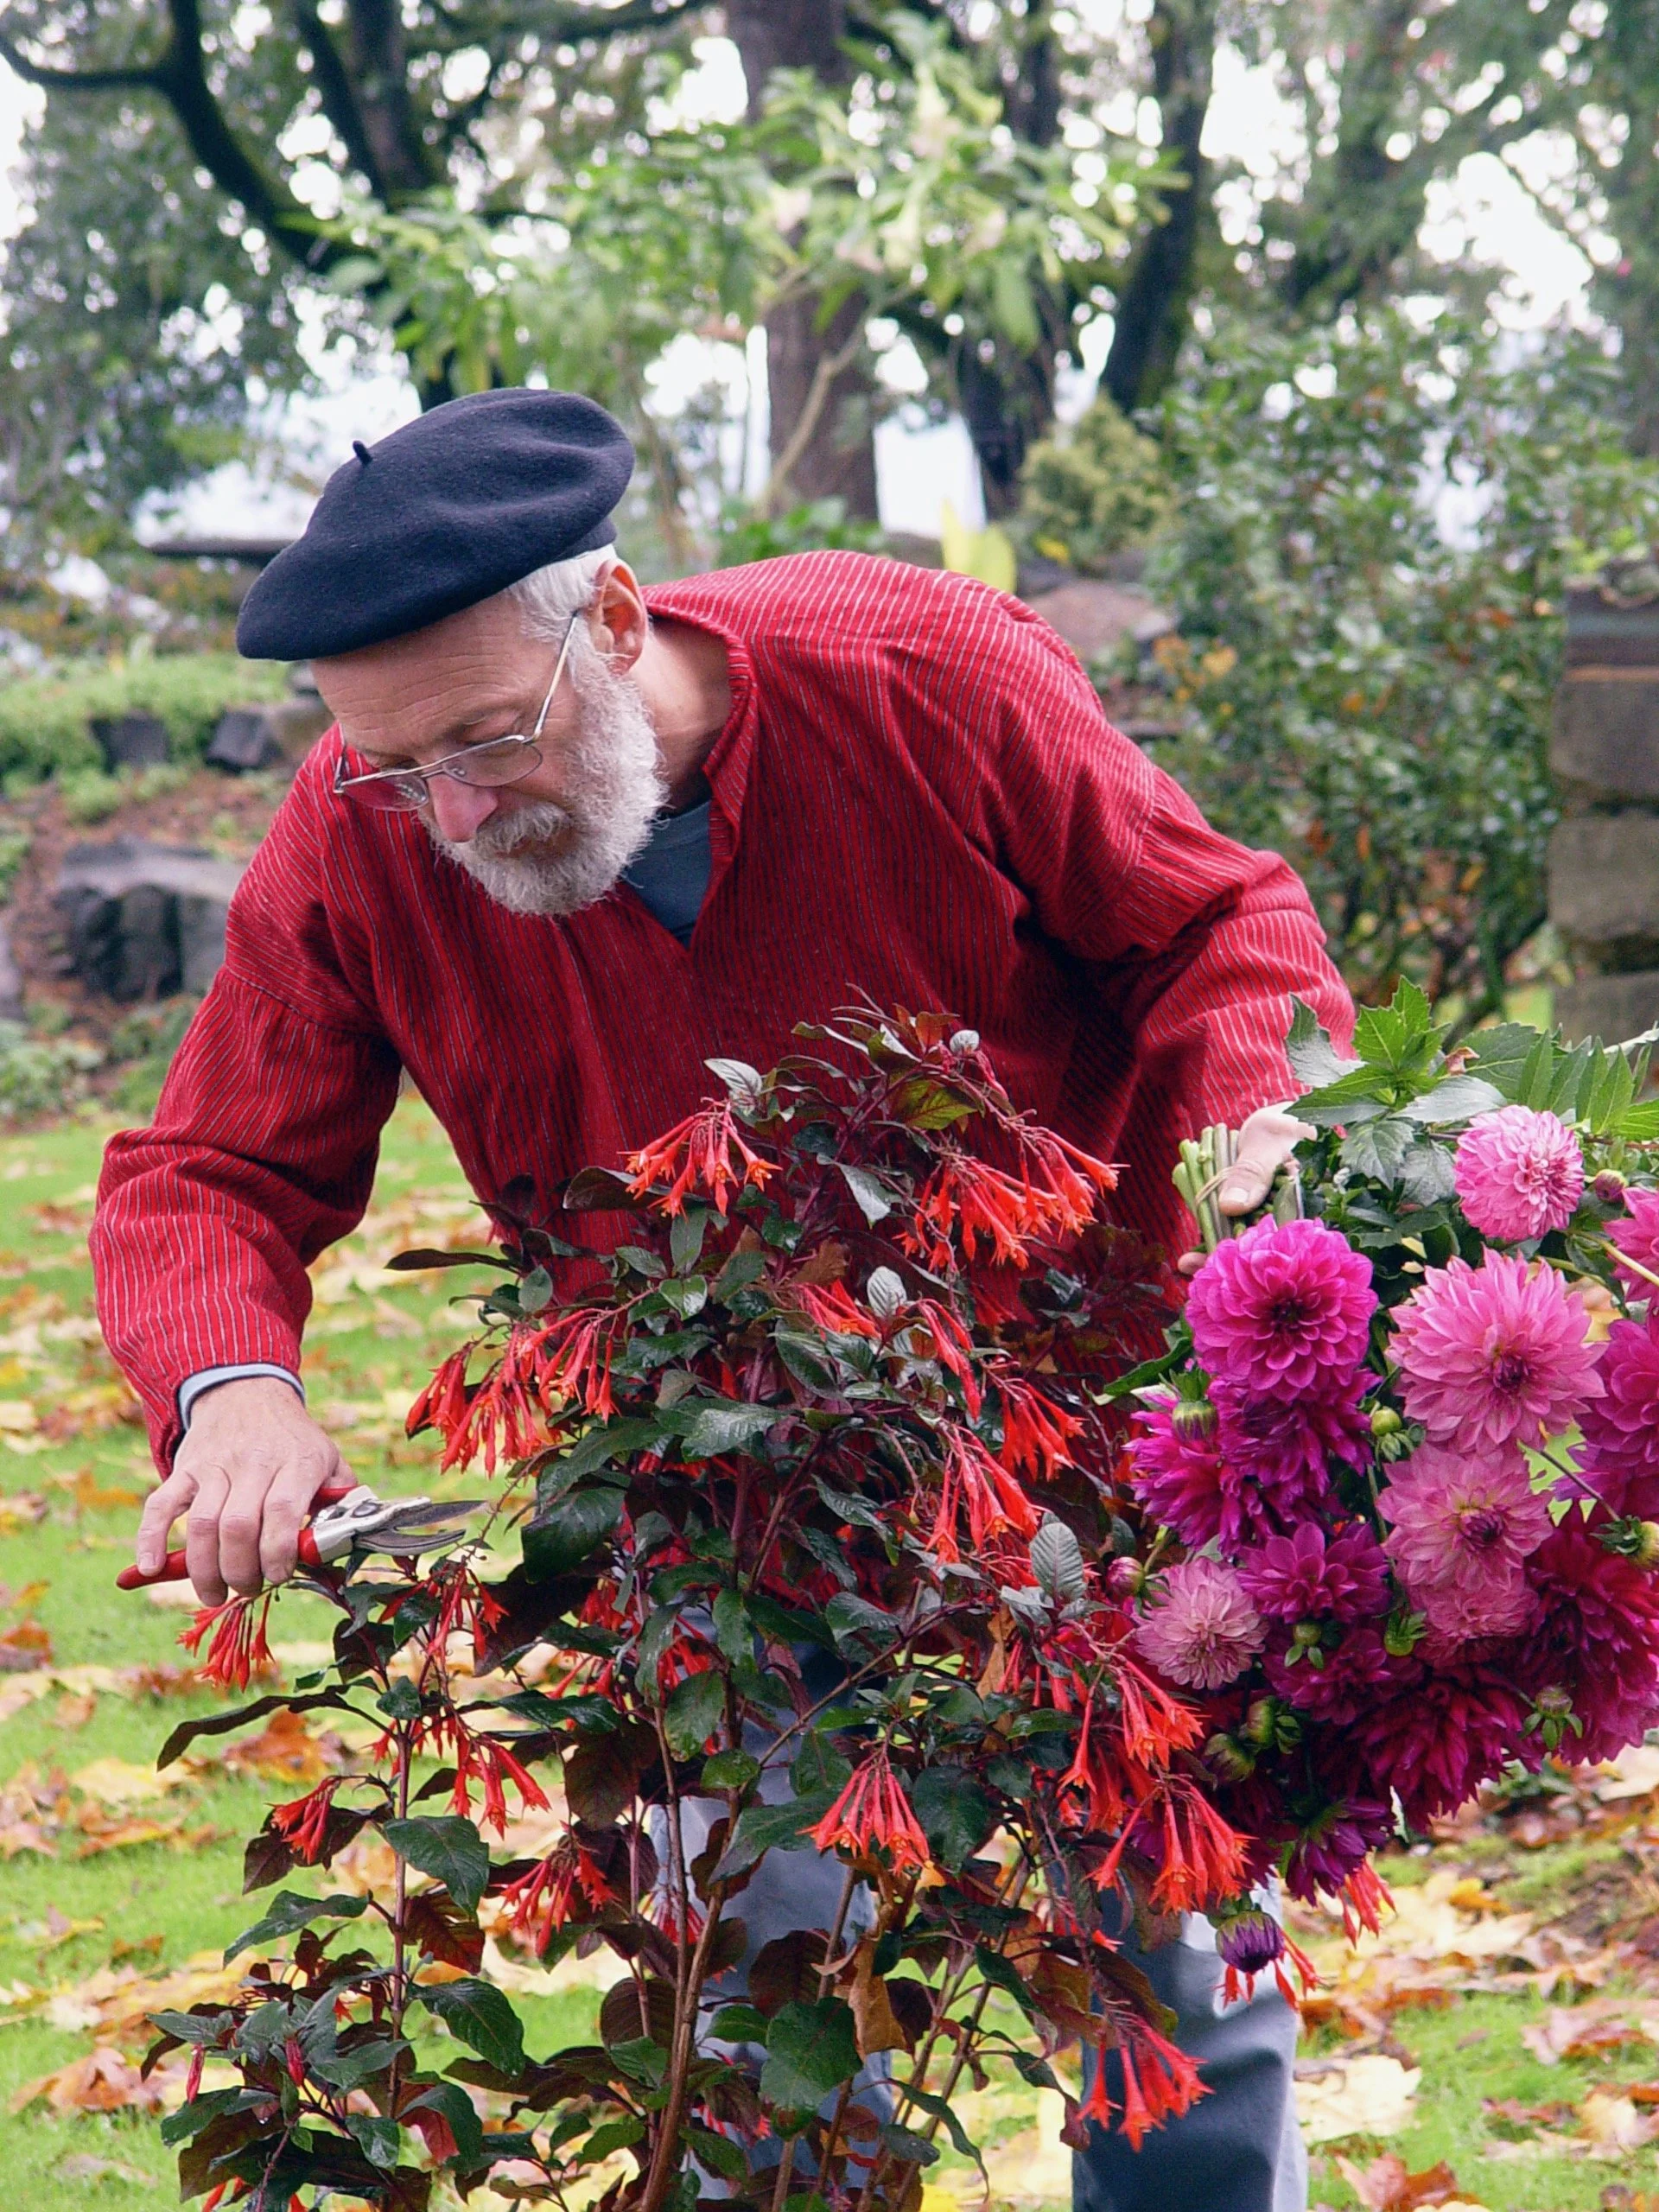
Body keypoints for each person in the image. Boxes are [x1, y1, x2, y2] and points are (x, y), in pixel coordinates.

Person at [92, 389, 1349, 2211]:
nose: (451, 809)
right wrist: (228, 1387)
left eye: (487, 739)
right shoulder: (363, 833)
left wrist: (1266, 1120)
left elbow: (1215, 921)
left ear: (615, 620)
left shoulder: (916, 669)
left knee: (1172, 1993)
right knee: (742, 2032)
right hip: (714, 1511)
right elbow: (205, 1162)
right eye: (397, 766)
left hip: (1070, 1473)